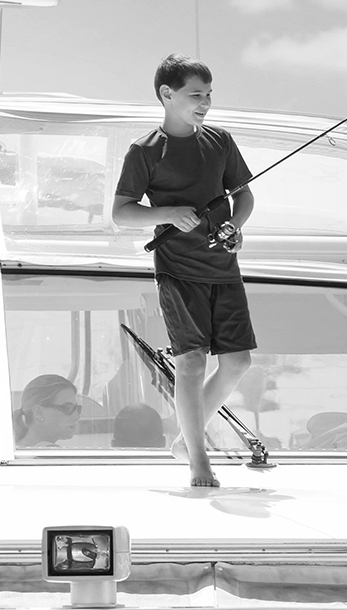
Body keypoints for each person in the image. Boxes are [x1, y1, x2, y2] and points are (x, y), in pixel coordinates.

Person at [111, 53, 256, 488]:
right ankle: (199, 461)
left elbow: (243, 197)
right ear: (166, 95)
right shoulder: (145, 151)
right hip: (176, 269)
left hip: (223, 266)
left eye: (209, 95)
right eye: (197, 95)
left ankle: (183, 440)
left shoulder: (221, 141)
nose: (205, 103)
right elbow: (122, 213)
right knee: (191, 362)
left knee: (238, 362)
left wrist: (235, 225)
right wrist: (170, 213)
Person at [14, 374, 82, 447]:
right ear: (38, 412)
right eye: (68, 408)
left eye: (78, 409)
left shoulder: (18, 448)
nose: (76, 417)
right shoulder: (51, 453)